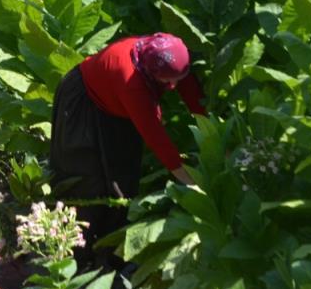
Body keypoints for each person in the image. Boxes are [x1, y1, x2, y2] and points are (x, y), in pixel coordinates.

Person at [49, 32, 206, 258]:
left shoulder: (169, 56)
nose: (173, 86)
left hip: (115, 106)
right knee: (86, 182)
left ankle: (109, 250)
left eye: (177, 79)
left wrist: (213, 132)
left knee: (124, 175)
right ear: (152, 72)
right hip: (85, 102)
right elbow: (157, 139)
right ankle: (75, 251)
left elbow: (191, 94)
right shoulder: (131, 81)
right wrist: (193, 184)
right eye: (167, 81)